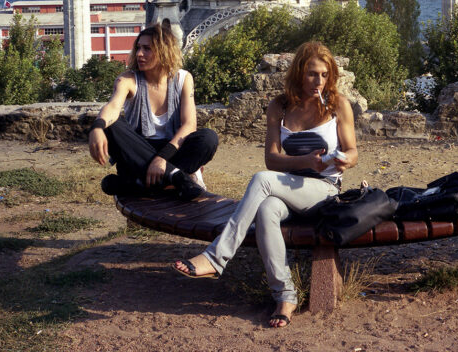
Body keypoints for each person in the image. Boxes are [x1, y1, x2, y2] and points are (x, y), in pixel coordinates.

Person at [173, 41, 358, 328]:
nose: (318, 81)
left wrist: (343, 159)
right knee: (266, 209)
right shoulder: (280, 105)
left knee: (261, 180)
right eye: (311, 74)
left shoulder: (338, 104)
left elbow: (354, 152)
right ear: (299, 73)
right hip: (287, 186)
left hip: (324, 189)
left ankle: (216, 258)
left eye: (324, 75)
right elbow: (272, 159)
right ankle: (285, 296)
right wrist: (305, 161)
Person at [88, 22, 218, 201]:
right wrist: (97, 127)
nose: (139, 54)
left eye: (147, 49)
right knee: (112, 124)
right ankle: (176, 179)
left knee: (208, 138)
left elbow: (189, 125)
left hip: (172, 152)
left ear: (164, 51)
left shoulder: (183, 78)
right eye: (138, 48)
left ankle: (139, 185)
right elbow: (113, 107)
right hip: (137, 152)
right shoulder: (128, 79)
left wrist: (162, 159)